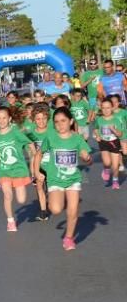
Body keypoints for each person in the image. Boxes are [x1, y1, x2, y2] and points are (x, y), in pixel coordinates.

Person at [36, 107, 93, 250]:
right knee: (55, 209)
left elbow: (88, 158)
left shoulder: (77, 138)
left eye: (63, 121)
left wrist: (86, 158)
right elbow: (39, 154)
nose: (60, 125)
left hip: (73, 179)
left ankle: (68, 238)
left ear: (71, 121)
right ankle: (60, 200)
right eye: (56, 122)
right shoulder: (51, 137)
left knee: (73, 211)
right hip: (55, 179)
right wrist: (37, 172)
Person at [0, 105, 35, 231]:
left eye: (4, 118)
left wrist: (34, 156)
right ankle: (10, 221)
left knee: (21, 200)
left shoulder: (15, 132)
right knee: (8, 195)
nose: (1, 121)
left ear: (9, 119)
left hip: (19, 170)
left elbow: (29, 143)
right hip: (4, 171)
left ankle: (12, 216)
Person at [26, 106, 52, 221]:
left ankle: (52, 201)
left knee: (52, 190)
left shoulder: (53, 132)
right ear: (33, 120)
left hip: (52, 165)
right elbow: (33, 151)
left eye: (44, 118)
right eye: (38, 119)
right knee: (40, 187)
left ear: (48, 118)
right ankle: (43, 211)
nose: (41, 121)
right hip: (39, 164)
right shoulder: (31, 134)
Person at [94, 97, 123, 189]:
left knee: (115, 165)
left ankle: (115, 181)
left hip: (114, 142)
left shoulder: (116, 120)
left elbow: (120, 133)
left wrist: (114, 130)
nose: (106, 110)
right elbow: (96, 129)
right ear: (101, 109)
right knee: (107, 162)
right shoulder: (99, 119)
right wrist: (97, 136)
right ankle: (106, 170)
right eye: (104, 108)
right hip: (104, 142)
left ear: (112, 108)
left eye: (108, 108)